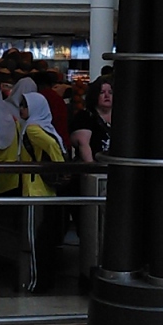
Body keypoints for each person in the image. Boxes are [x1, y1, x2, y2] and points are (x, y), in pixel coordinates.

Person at [18, 92, 65, 292]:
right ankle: (44, 280)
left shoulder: (32, 128)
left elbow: (51, 146)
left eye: (25, 105)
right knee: (45, 238)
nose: (21, 109)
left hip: (34, 189)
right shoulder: (47, 126)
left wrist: (59, 166)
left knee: (33, 239)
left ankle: (35, 282)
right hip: (47, 190)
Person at [69, 75, 112, 282]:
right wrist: (93, 169)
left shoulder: (123, 117)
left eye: (110, 92)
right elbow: (83, 143)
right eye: (102, 92)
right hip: (92, 178)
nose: (107, 96)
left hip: (115, 177)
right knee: (91, 223)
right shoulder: (85, 117)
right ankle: (89, 269)